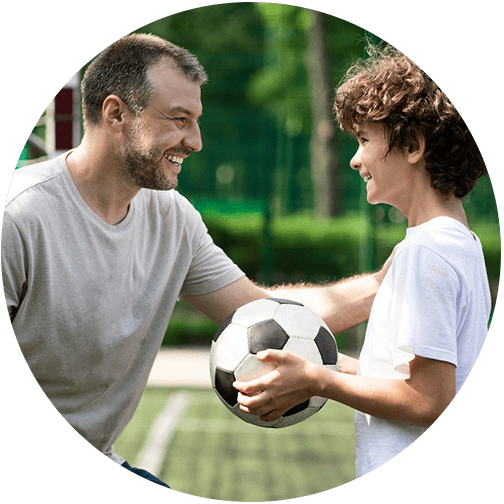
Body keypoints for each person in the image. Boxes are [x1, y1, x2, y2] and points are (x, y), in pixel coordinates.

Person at [1, 34, 390, 488]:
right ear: (116, 114)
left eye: (196, 121)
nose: (196, 141)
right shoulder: (19, 217)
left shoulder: (172, 218)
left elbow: (263, 314)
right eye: (179, 120)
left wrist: (385, 285)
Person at [234, 43, 491, 478]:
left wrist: (320, 382)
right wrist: (314, 360)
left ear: (412, 145)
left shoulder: (426, 250)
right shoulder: (460, 243)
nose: (355, 159)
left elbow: (429, 400)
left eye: (364, 139)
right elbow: (401, 377)